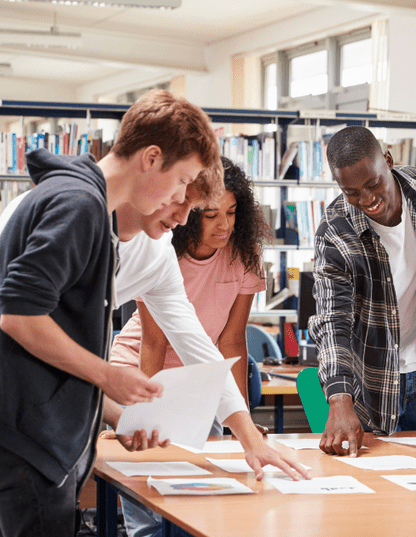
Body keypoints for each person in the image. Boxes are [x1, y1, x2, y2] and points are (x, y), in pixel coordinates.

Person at [0, 89, 221, 536]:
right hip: (21, 425)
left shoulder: (79, 197)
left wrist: (109, 411)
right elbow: (19, 316)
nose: (181, 199)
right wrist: (108, 376)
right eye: (182, 181)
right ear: (151, 158)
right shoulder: (80, 205)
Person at [109, 157, 306, 536]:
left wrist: (243, 428)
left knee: (202, 498)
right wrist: (146, 416)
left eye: (232, 213)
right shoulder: (163, 254)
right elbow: (154, 341)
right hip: (139, 368)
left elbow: (229, 342)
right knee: (146, 492)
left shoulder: (245, 258)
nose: (224, 225)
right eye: (211, 214)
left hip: (198, 375)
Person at [310, 125, 416, 456]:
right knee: (369, 489)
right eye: (351, 192)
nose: (366, 200)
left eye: (373, 184)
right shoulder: (335, 232)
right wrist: (339, 400)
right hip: (370, 379)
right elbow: (332, 321)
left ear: (388, 160)